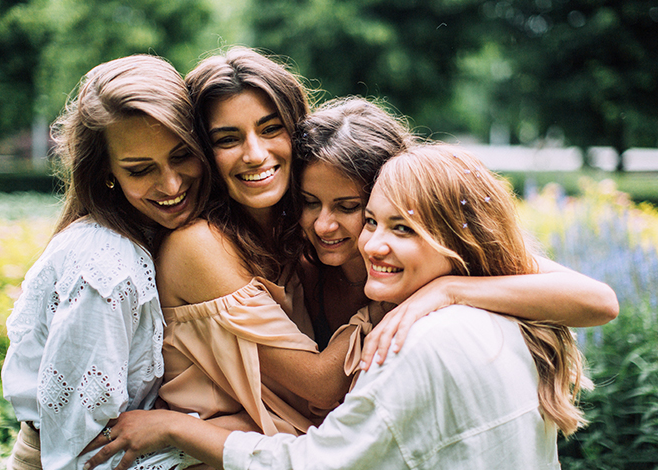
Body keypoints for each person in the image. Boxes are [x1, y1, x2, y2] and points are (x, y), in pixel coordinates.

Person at [83, 143, 593, 469]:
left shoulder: (413, 338)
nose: (368, 243)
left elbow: (316, 463)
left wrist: (178, 428)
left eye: (398, 227)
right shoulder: (501, 314)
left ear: (454, 238)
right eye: (372, 221)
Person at [1, 54, 210, 470]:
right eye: (139, 169)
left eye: (182, 155)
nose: (170, 184)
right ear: (106, 172)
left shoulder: (154, 233)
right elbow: (78, 454)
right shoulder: (106, 267)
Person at [294, 97, 617, 360]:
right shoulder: (304, 267)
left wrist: (449, 289)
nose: (323, 225)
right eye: (310, 202)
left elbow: (599, 301)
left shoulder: (435, 261)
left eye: (349, 207)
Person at [151, 46, 356, 439]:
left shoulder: (296, 234)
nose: (256, 154)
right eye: (228, 139)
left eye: (270, 129)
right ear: (202, 153)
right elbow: (320, 386)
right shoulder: (198, 245)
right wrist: (395, 303)